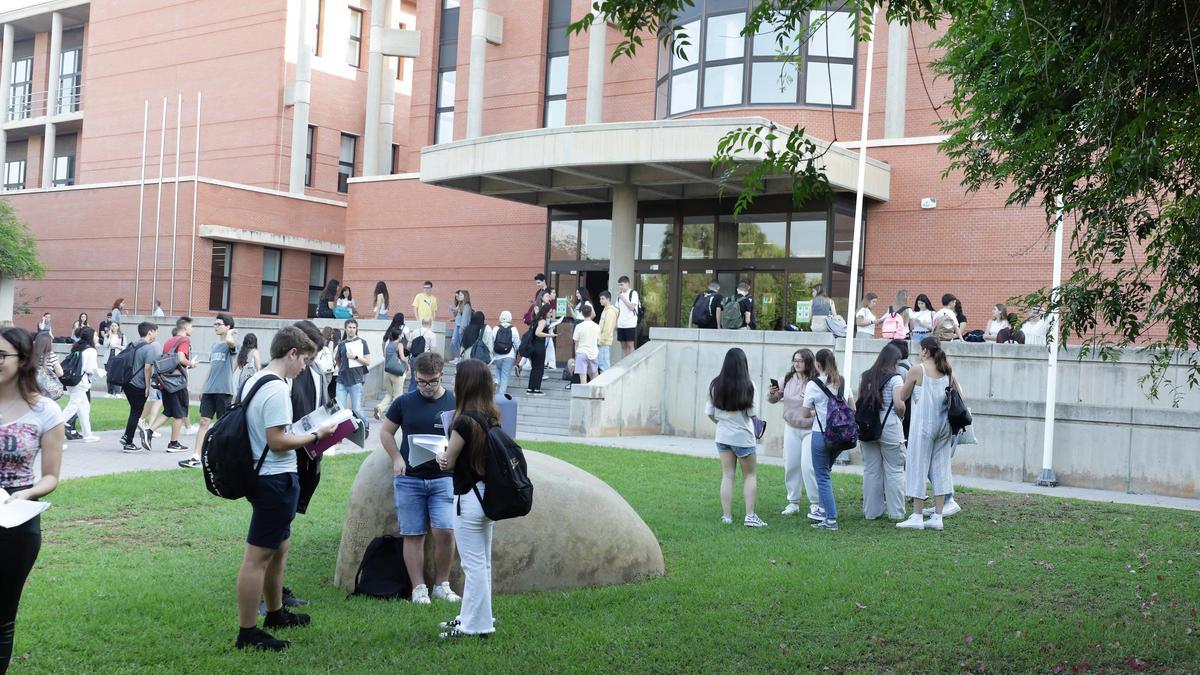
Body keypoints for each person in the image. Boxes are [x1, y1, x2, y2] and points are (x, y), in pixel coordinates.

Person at [234, 326, 335, 652]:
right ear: (291, 353)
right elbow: (277, 441)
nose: (305, 367)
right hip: (274, 480)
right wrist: (316, 435)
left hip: (267, 477)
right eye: (304, 360)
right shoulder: (277, 389)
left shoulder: (257, 378)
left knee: (279, 549)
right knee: (257, 559)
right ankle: (248, 632)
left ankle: (276, 613)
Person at [0, 327, 65, 673]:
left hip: (16, 518)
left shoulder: (45, 412)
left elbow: (52, 476)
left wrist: (24, 493)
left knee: (2, 613)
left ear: (23, 359)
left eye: (1, 356)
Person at [380, 351, 462, 606]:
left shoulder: (453, 401)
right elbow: (385, 432)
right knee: (413, 534)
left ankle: (442, 584)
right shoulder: (404, 402)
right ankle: (418, 588)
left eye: (433, 381)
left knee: (445, 531)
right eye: (422, 381)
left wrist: (452, 455)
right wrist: (396, 458)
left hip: (443, 478)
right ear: (415, 377)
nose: (427, 387)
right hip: (410, 479)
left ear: (442, 376)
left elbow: (463, 436)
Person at [436, 358, 499, 639]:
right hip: (487, 495)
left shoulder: (463, 422)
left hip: (469, 499)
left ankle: (476, 626)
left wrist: (441, 454)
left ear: (465, 383)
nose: (452, 381)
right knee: (482, 564)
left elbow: (448, 462)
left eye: (456, 377)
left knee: (473, 566)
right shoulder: (491, 416)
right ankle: (472, 617)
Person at [895, 337, 961, 530]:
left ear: (924, 351)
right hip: (944, 425)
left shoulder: (918, 369)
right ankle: (938, 517)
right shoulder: (947, 369)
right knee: (941, 468)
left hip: (924, 424)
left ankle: (917, 515)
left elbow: (902, 396)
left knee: (917, 466)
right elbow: (959, 392)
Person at [706, 348, 765, 527]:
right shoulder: (749, 385)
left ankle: (727, 516)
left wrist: (722, 423)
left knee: (727, 475)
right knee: (750, 476)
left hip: (723, 436)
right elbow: (752, 414)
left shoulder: (715, 384)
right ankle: (750, 516)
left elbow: (709, 413)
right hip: (744, 438)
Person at [800, 348, 854, 531]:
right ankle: (823, 512)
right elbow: (852, 407)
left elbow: (805, 412)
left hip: (821, 435)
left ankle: (830, 519)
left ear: (817, 364)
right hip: (841, 436)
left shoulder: (813, 385)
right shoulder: (843, 381)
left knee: (821, 476)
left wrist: (817, 410)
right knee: (825, 473)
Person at [767, 348, 820, 519]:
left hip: (811, 429)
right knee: (791, 465)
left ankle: (815, 503)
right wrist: (772, 394)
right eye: (795, 360)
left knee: (808, 466)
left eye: (801, 360)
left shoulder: (816, 380)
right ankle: (793, 502)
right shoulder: (787, 379)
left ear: (808, 362)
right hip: (791, 427)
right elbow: (774, 400)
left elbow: (823, 404)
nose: (797, 363)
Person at [181, 313, 238, 469]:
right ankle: (196, 456)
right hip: (210, 390)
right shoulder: (214, 346)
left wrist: (230, 333)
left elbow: (230, 343)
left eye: (219, 324)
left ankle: (222, 457)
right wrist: (204, 387)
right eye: (215, 324)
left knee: (221, 425)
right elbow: (212, 368)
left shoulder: (230, 344)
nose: (216, 327)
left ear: (227, 326)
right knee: (204, 422)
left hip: (224, 391)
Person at [857, 344, 907, 521]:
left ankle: (871, 512)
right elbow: (899, 404)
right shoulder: (896, 378)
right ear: (894, 361)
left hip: (867, 427)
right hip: (890, 427)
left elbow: (860, 400)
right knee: (894, 470)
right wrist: (902, 415)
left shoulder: (866, 376)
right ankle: (896, 513)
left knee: (871, 471)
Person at [148, 317, 195, 452]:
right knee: (180, 413)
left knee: (168, 411)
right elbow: (180, 357)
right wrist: (191, 363)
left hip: (165, 382)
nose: (192, 329)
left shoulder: (169, 341)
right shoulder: (185, 340)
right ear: (185, 328)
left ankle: (148, 431)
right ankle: (173, 444)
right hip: (176, 383)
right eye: (191, 327)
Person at [120, 322, 160, 453]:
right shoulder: (149, 348)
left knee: (134, 411)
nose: (156, 334)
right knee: (136, 413)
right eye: (155, 331)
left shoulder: (133, 344)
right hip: (138, 385)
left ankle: (126, 437)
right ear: (150, 332)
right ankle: (128, 442)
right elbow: (148, 368)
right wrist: (148, 387)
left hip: (127, 382)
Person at [59, 327, 103, 443]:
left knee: (84, 408)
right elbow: (90, 369)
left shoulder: (78, 348)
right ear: (91, 337)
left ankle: (87, 434)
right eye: (96, 335)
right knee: (73, 407)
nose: (97, 337)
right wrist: (100, 372)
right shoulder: (91, 351)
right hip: (81, 382)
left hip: (73, 381)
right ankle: (52, 427)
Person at [334, 319, 371, 434]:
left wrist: (355, 356)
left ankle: (366, 424)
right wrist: (342, 369)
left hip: (356, 380)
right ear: (345, 328)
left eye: (354, 327)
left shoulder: (362, 342)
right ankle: (342, 431)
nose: (352, 329)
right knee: (340, 409)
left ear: (357, 329)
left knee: (356, 409)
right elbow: (337, 359)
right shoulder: (341, 344)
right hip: (341, 380)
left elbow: (368, 361)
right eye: (349, 327)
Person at [375, 325, 409, 419]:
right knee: (398, 395)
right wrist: (407, 364)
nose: (402, 336)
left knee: (389, 394)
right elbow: (402, 357)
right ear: (398, 336)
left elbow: (385, 356)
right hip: (396, 373)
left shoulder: (388, 344)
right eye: (401, 335)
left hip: (387, 372)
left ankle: (379, 408)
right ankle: (394, 415)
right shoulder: (399, 345)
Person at [488, 311, 520, 395]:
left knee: (498, 369)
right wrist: (519, 351)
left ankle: (496, 381)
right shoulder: (513, 329)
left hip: (498, 355)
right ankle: (501, 396)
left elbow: (492, 341)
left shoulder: (496, 328)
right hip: (509, 355)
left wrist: (492, 354)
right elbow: (517, 343)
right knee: (505, 376)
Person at [526, 304, 553, 396]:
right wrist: (550, 335)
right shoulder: (542, 321)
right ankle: (537, 389)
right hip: (539, 347)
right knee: (539, 368)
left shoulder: (536, 319)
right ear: (545, 312)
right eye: (550, 312)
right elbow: (538, 333)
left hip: (533, 347)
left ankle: (530, 389)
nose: (551, 314)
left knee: (534, 368)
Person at [571, 304, 600, 386]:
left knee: (583, 379)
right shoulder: (597, 326)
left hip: (581, 353)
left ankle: (583, 396)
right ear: (591, 313)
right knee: (595, 377)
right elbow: (598, 341)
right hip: (593, 353)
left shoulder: (579, 326)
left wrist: (576, 355)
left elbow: (576, 342)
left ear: (582, 314)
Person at [616, 276, 640, 358]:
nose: (620, 287)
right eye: (619, 285)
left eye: (622, 285)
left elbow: (632, 307)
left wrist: (623, 298)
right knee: (623, 345)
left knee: (630, 344)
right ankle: (625, 361)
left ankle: (631, 362)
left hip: (630, 323)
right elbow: (618, 310)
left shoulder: (633, 293)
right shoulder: (619, 296)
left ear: (627, 284)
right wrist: (616, 323)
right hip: (621, 323)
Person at [596, 291, 617, 373]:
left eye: (602, 299)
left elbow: (607, 329)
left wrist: (600, 341)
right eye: (600, 299)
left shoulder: (610, 311)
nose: (600, 300)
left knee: (604, 366)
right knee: (601, 364)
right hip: (602, 341)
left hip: (604, 342)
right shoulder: (605, 310)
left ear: (608, 299)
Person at [449, 290, 472, 362]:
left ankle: (460, 358)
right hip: (457, 326)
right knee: (454, 342)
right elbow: (460, 316)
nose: (459, 296)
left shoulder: (467, 306)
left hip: (461, 327)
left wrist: (461, 329)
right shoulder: (460, 305)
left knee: (460, 343)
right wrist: (453, 319)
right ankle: (457, 357)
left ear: (465, 296)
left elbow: (465, 319)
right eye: (459, 295)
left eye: (461, 295)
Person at [105, 323, 126, 396]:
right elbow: (106, 345)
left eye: (115, 326)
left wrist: (117, 346)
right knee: (109, 374)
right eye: (112, 326)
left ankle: (117, 392)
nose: (113, 327)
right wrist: (110, 336)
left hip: (118, 354)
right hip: (109, 355)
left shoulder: (122, 336)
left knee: (117, 374)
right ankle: (109, 391)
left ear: (118, 327)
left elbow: (125, 347)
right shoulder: (107, 335)